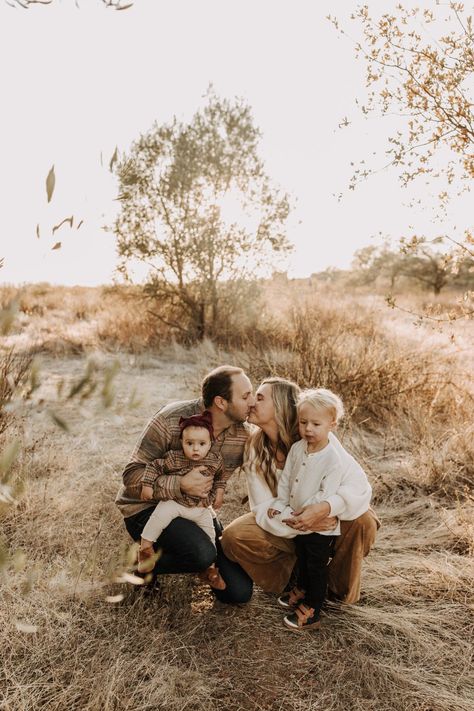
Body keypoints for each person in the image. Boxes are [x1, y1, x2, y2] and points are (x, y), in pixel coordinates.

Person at [221, 377, 379, 606]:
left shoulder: (316, 435)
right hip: (286, 521)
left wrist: (325, 509)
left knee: (363, 520)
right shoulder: (255, 448)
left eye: (261, 397)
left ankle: (336, 592)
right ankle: (293, 581)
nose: (253, 402)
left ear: (281, 407)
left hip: (325, 520)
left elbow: (359, 487)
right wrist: (301, 522)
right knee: (234, 536)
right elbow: (262, 506)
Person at [115, 365, 255, 603]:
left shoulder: (242, 434)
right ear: (221, 402)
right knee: (201, 553)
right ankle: (144, 564)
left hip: (197, 509)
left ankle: (190, 557)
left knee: (238, 592)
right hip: (146, 508)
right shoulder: (171, 419)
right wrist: (180, 484)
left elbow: (279, 454)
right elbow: (131, 476)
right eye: (246, 396)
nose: (253, 402)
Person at [267, 388, 366, 631]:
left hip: (319, 526)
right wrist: (281, 505)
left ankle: (313, 607)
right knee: (301, 556)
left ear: (332, 425)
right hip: (298, 519)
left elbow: (327, 493)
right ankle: (300, 589)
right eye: (303, 422)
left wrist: (307, 513)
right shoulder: (298, 448)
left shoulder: (333, 458)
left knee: (315, 564)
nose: (308, 429)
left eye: (316, 424)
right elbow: (287, 480)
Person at [138, 411, 228, 590]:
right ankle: (145, 549)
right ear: (182, 443)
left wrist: (219, 492)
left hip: (200, 507)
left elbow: (220, 477)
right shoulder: (174, 458)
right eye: (190, 443)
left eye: (202, 444)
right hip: (176, 503)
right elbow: (154, 467)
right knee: (159, 517)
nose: (195, 449)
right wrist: (147, 485)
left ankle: (209, 570)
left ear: (211, 443)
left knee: (211, 535)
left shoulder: (215, 460)